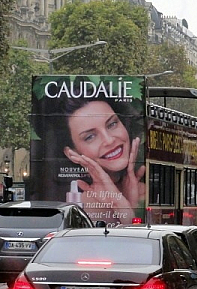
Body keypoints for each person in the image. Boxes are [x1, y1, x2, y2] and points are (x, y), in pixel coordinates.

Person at [60, 96, 146, 225]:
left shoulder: (144, 193)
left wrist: (128, 210)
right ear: (72, 153)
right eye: (90, 137)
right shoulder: (80, 209)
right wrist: (119, 204)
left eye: (112, 124)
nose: (109, 140)